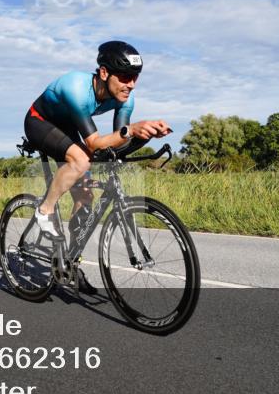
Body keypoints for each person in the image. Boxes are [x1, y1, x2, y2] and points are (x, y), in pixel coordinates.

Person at [24, 41, 172, 294]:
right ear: (104, 73)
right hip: (40, 121)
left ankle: (70, 263)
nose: (131, 84)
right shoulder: (76, 88)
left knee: (85, 197)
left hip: (67, 127)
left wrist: (144, 136)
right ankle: (44, 211)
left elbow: (117, 141)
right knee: (81, 160)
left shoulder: (126, 98)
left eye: (135, 77)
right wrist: (131, 129)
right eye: (124, 77)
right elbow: (93, 143)